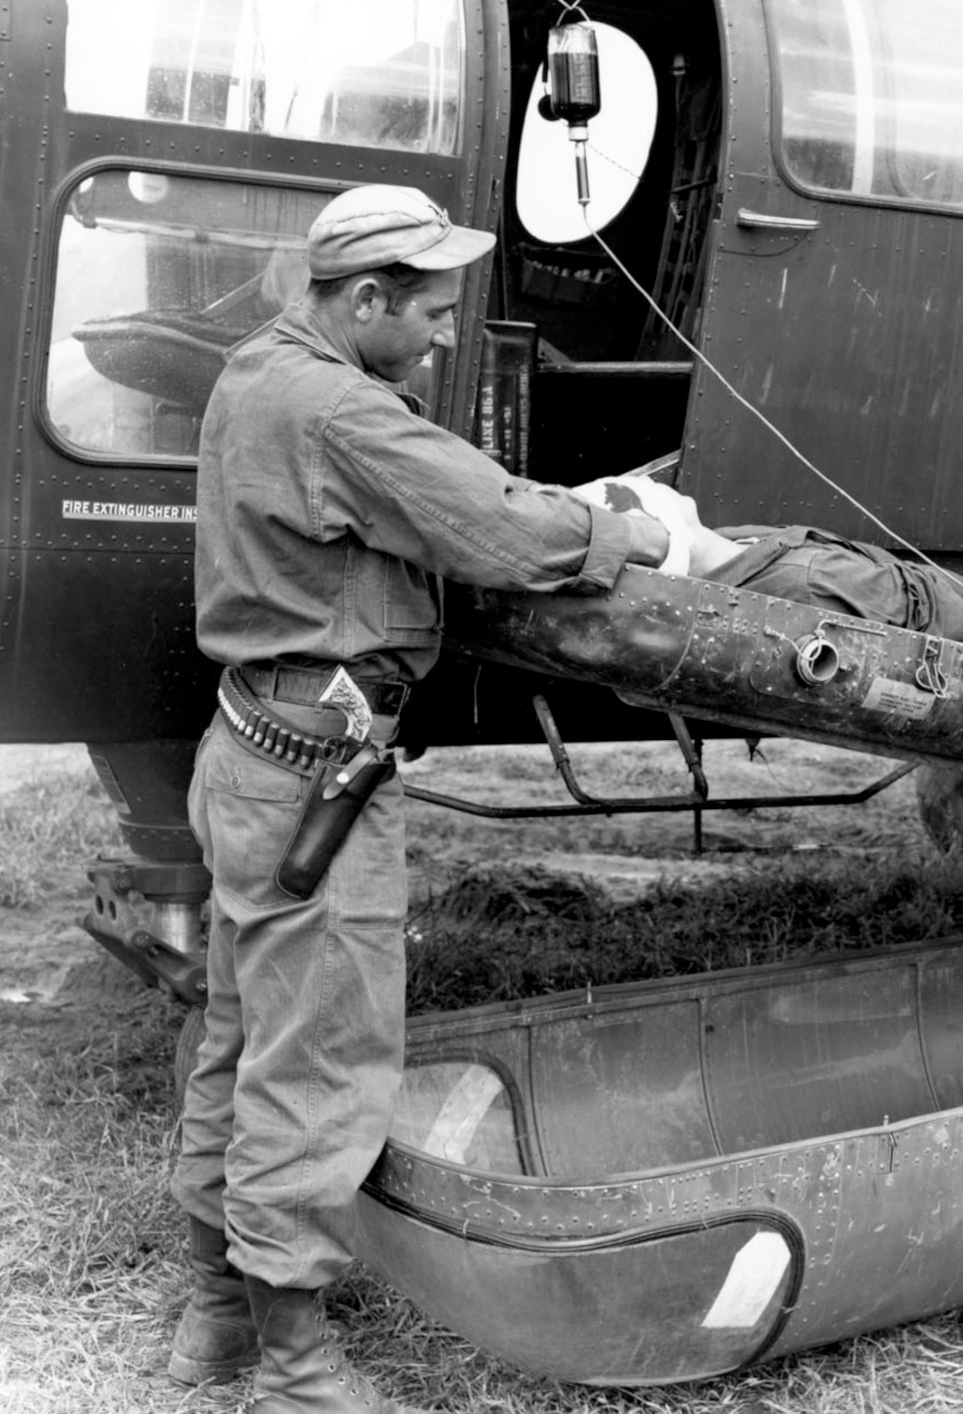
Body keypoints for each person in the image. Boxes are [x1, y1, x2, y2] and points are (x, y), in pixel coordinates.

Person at [172, 185, 674, 1414]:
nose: (447, 336)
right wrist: (623, 530)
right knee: (323, 1062)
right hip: (315, 782)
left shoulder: (259, 370)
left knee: (240, 1039)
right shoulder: (338, 407)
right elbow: (495, 527)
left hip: (254, 752)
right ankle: (293, 1364)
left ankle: (212, 1317)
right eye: (432, 313)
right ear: (364, 300)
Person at [570, 471, 963, 638]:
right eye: (648, 488)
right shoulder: (804, 579)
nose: (656, 482)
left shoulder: (735, 546)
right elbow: (955, 617)